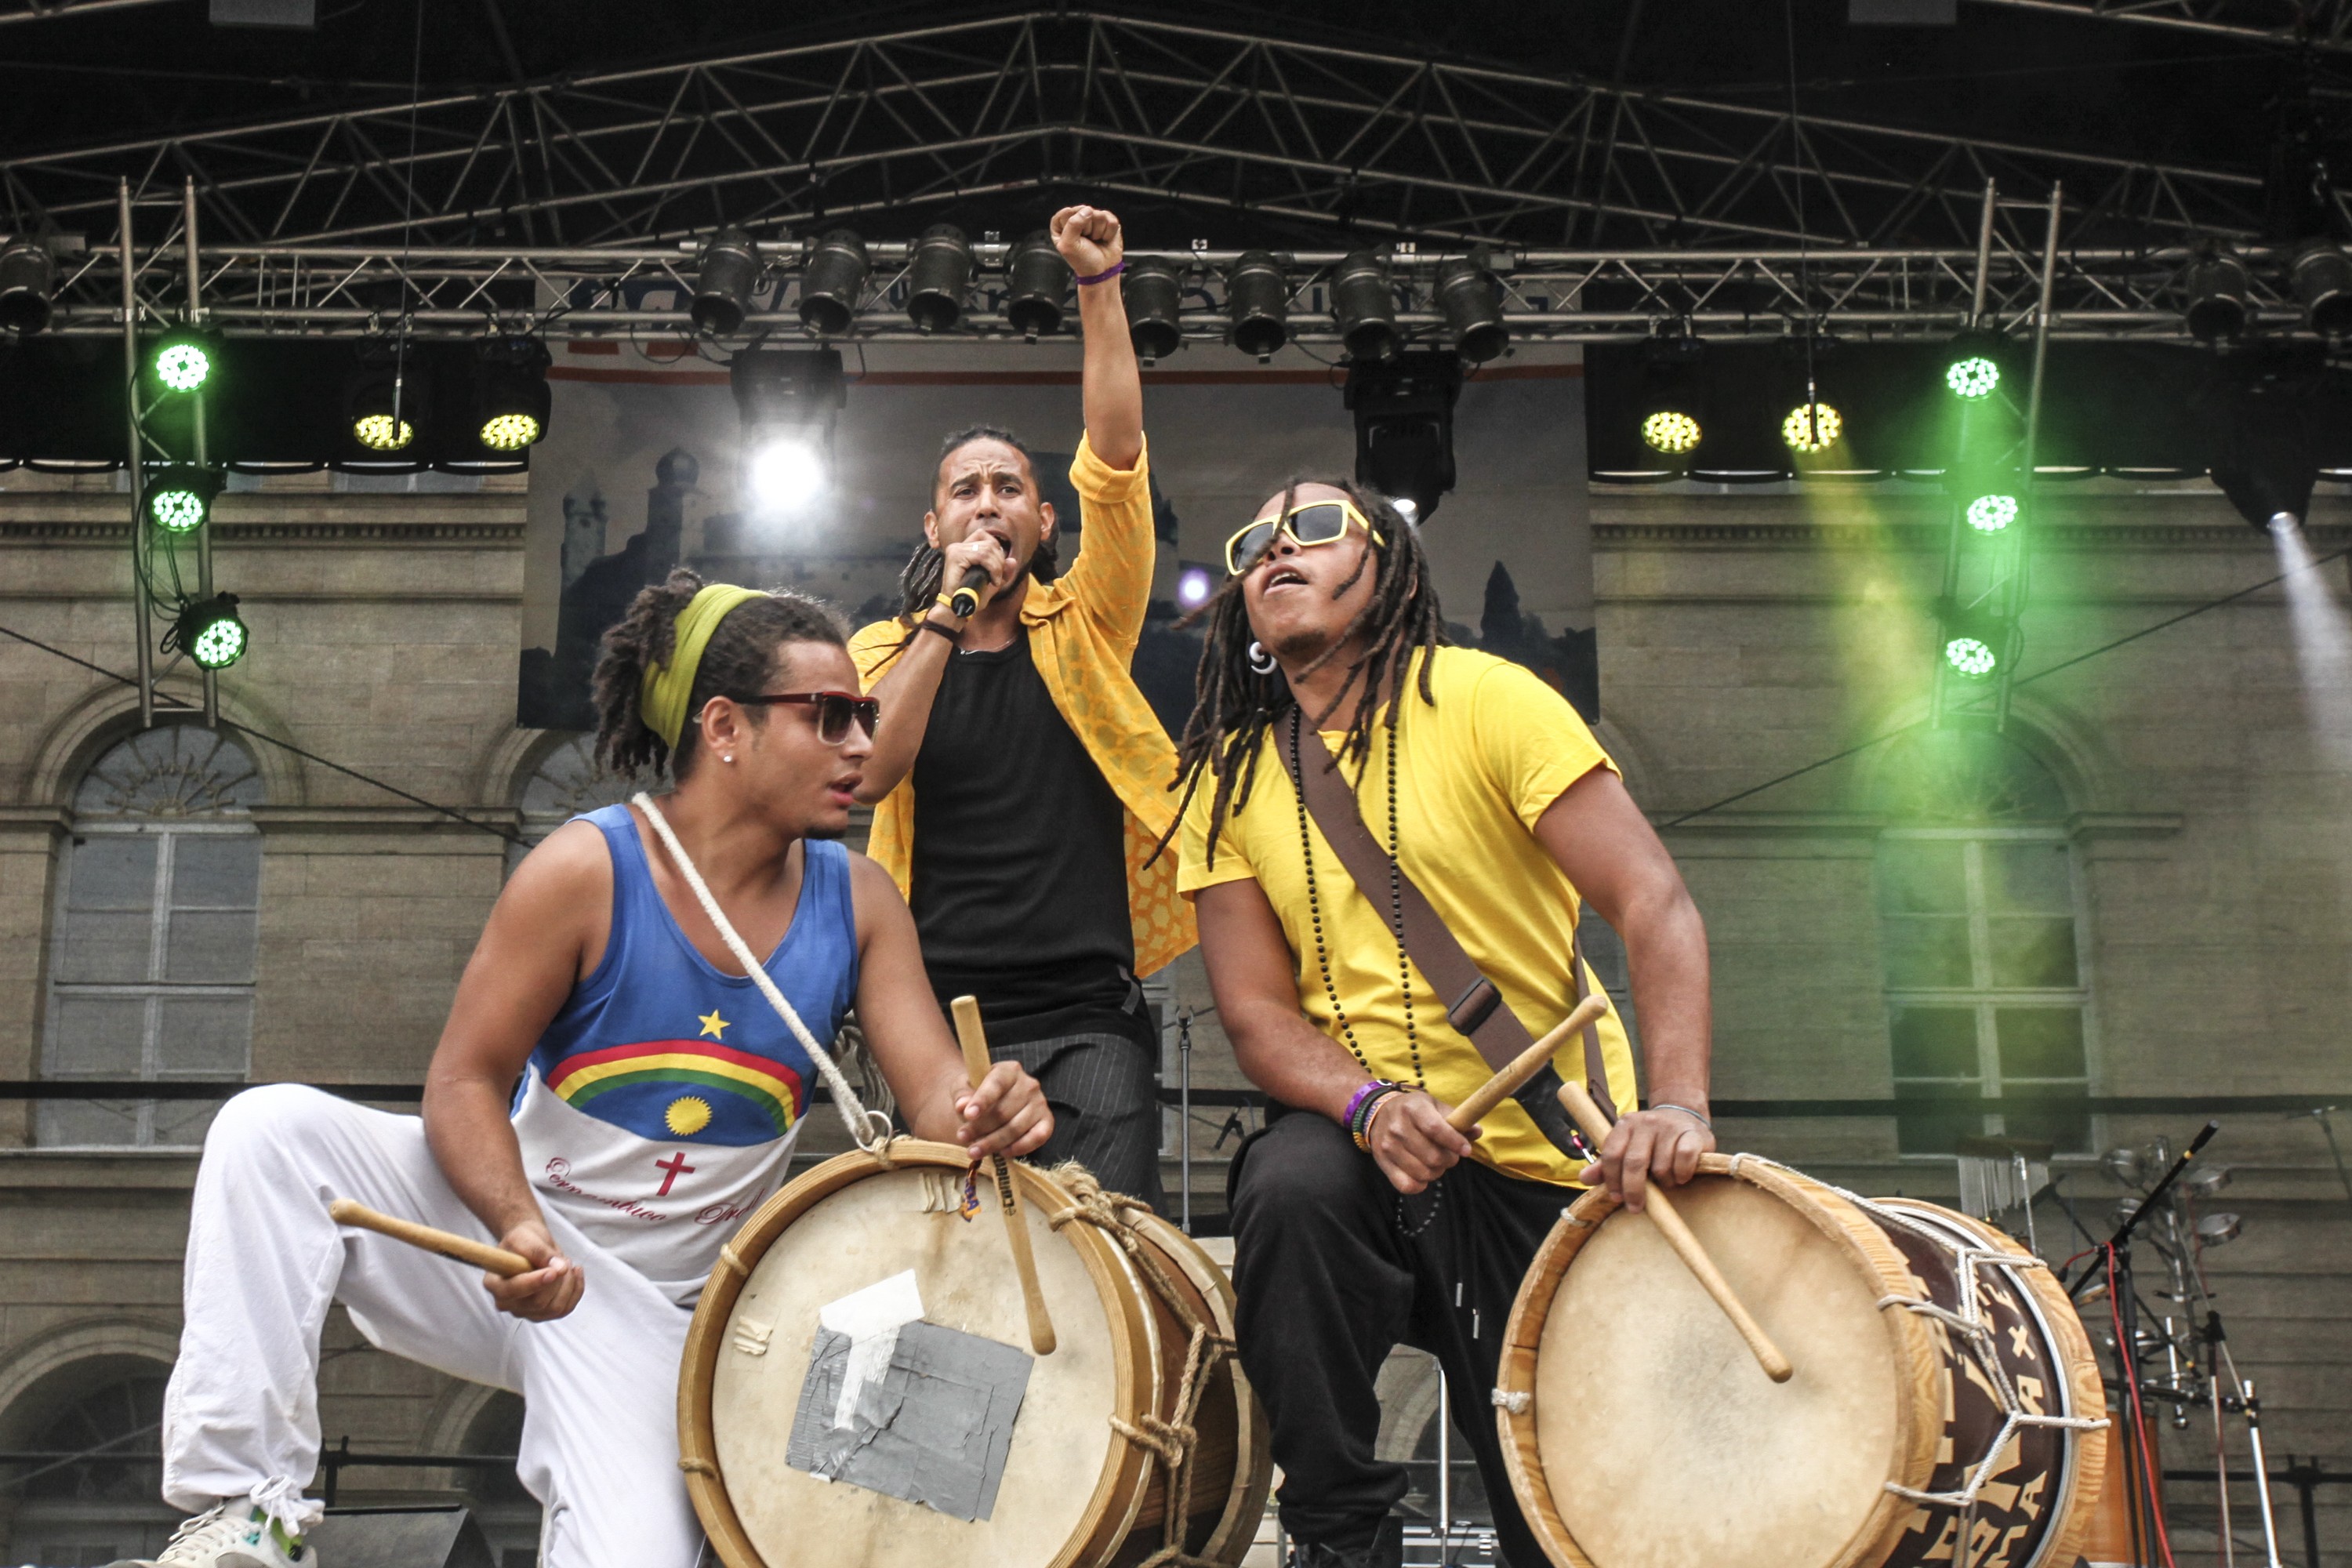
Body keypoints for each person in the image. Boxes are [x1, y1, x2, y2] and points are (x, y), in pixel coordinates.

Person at [147, 574, 1053, 1568]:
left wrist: (989, 1111)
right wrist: (516, 1223)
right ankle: (249, 1509)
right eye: (828, 715)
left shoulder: (862, 899)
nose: (860, 747)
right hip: (507, 1251)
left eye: (865, 717)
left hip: (666, 1322)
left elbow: (938, 1103)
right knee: (270, 1132)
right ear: (725, 726)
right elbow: (462, 1080)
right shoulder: (584, 869)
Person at [1170, 481, 1715, 1568]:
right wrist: (1367, 1104)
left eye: (1313, 527)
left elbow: (1652, 899)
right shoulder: (1230, 780)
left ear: (1386, 566)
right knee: (1289, 1182)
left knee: (1565, 1523)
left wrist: (1679, 1105)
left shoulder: (1489, 700)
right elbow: (1256, 1015)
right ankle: (1338, 1535)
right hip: (1375, 1150)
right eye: (1255, 542)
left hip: (1550, 1159)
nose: (1276, 548)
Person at [848, 203, 1189, 1207]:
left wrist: (1099, 287)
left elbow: (1116, 455)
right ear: (935, 524)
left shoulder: (1088, 620)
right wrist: (945, 618)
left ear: (1042, 521)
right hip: (937, 1016)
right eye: (966, 489)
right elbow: (869, 769)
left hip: (1089, 1010)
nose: (988, 500)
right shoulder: (884, 648)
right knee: (964, 1264)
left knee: (1099, 1251)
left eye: (1008, 487)